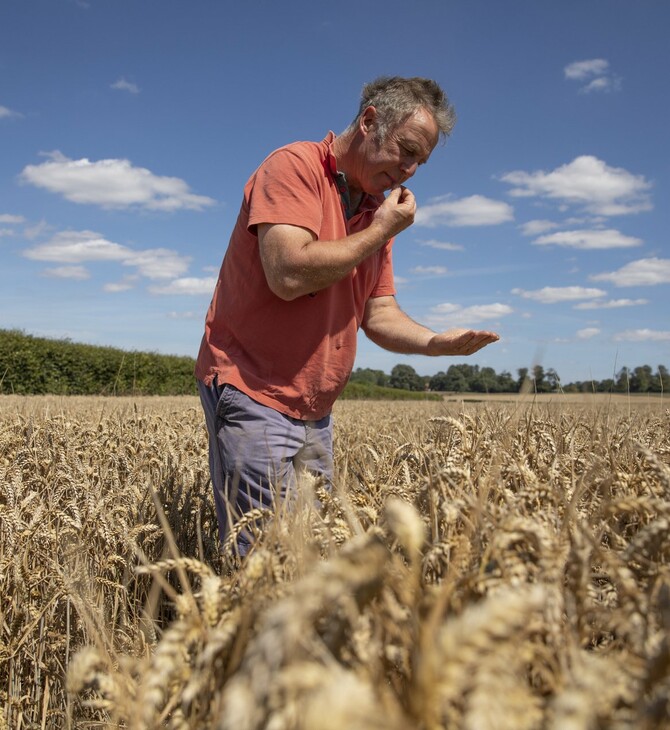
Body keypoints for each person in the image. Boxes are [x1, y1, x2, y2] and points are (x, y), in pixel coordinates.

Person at [196, 76, 499, 556]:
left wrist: (433, 343)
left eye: (422, 161)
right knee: (266, 562)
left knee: (313, 552)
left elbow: (378, 310)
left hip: (316, 408)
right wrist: (379, 233)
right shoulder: (293, 167)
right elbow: (288, 274)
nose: (412, 169)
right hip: (254, 389)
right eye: (406, 150)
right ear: (370, 120)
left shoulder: (377, 211)